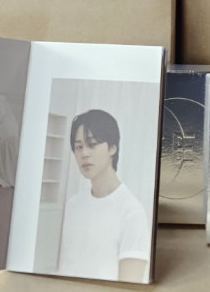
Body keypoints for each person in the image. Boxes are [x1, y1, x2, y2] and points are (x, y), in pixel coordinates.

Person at [56, 109, 150, 282]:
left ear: (112, 147)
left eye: (92, 144)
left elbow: (130, 286)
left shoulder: (132, 213)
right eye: (78, 146)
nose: (84, 153)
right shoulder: (72, 205)